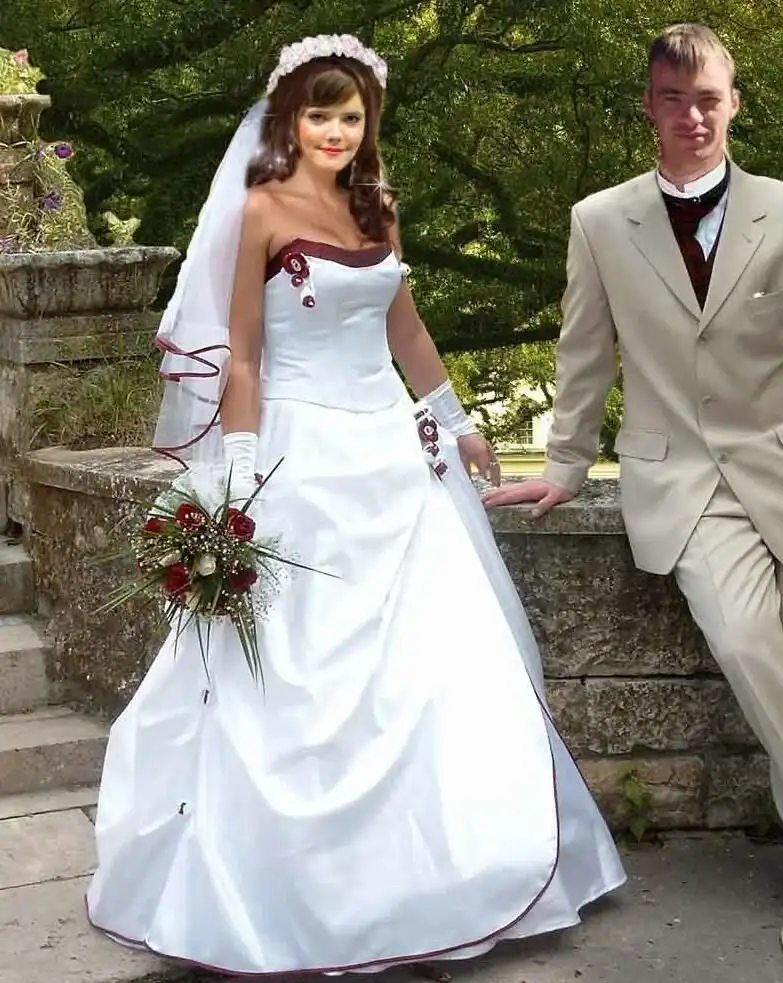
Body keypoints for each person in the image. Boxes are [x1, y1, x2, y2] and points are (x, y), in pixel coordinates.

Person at [85, 34, 625, 978]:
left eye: (351, 115)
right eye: (319, 114)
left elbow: (402, 324)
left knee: (432, 665)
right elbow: (244, 354)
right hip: (298, 455)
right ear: (289, 118)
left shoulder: (379, 204)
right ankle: (285, 893)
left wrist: (457, 422)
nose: (336, 131)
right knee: (292, 671)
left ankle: (448, 874)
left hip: (390, 455)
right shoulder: (260, 208)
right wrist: (239, 470)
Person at [484, 22, 783, 972]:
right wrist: (564, 464)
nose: (692, 116)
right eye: (673, 100)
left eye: (707, 98)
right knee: (747, 644)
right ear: (649, 106)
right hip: (682, 482)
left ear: (733, 103)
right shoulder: (600, 221)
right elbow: (583, 353)